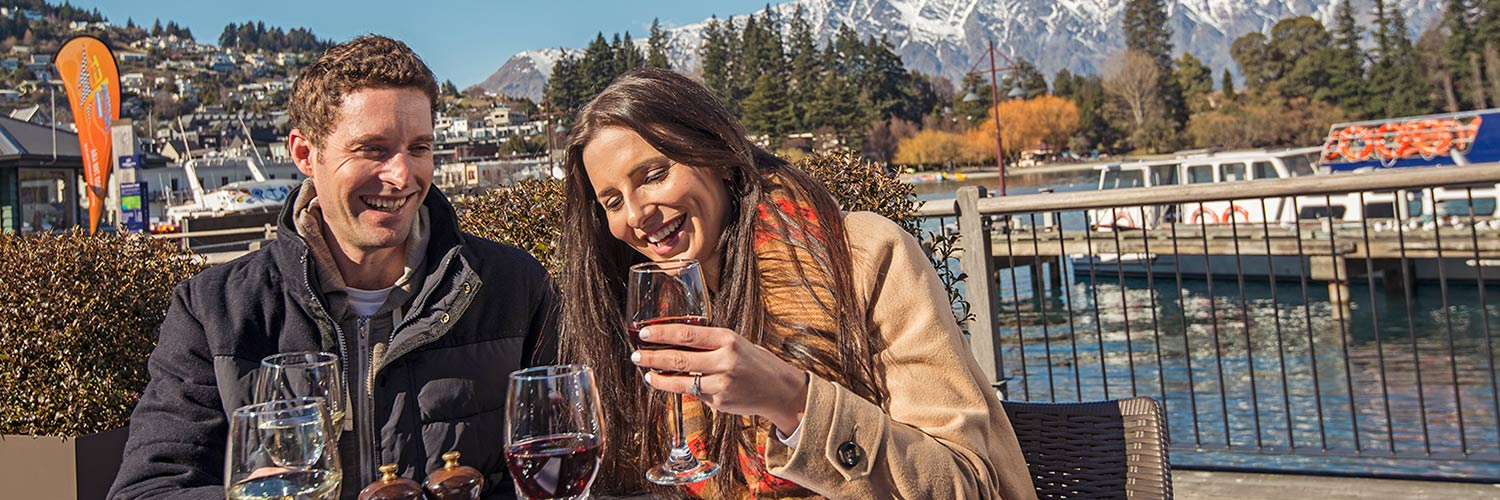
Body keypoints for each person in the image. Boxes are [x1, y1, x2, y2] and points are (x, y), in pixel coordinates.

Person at [109, 35, 557, 500]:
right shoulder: (214, 311)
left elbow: (557, 470)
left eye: (419, 147)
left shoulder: (515, 287)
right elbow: (149, 489)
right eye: (373, 149)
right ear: (305, 154)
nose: (402, 176)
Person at [559, 68, 1037, 499]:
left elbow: (963, 484)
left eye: (654, 175)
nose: (637, 214)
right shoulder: (651, 301)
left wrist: (793, 401)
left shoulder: (865, 256)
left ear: (718, 156)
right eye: (612, 201)